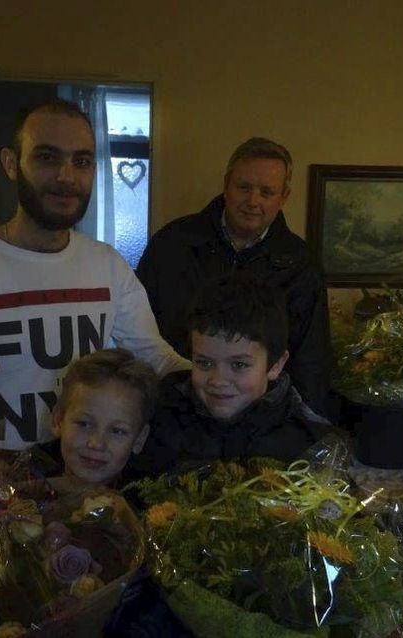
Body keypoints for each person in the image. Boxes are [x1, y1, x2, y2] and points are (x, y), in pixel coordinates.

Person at [0, 99, 187, 492]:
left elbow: (155, 358)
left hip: (82, 489)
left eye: (81, 161)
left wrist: (226, 381)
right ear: (12, 164)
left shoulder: (107, 265)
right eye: (47, 157)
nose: (66, 176)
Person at [135, 137, 331, 416]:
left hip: (263, 417)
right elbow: (137, 334)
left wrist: (312, 428)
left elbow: (311, 360)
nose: (253, 201)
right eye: (244, 187)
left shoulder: (301, 264)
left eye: (266, 192)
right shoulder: (171, 244)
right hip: (174, 406)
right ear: (226, 185)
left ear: (283, 197)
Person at [130, 273, 340, 476]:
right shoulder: (162, 420)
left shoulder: (310, 442)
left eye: (239, 364)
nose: (218, 380)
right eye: (204, 363)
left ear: (275, 365)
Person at [45, 348, 157, 488]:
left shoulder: (154, 499)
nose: (96, 444)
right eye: (84, 424)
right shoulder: (20, 481)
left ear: (139, 439)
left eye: (117, 431)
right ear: (58, 420)